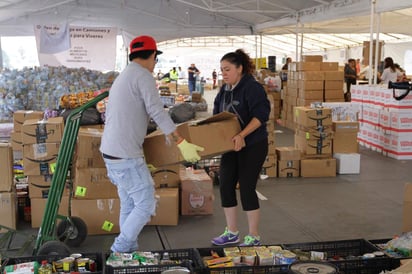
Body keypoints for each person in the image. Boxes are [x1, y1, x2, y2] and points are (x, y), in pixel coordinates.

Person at [99, 35, 204, 253]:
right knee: (146, 204)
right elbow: (156, 111)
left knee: (129, 203)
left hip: (111, 153)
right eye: (156, 58)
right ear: (153, 55)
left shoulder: (124, 76)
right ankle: (119, 251)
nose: (155, 63)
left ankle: (128, 252)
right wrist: (180, 141)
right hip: (125, 155)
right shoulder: (143, 76)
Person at [211, 49, 270, 246]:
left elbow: (261, 116)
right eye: (221, 70)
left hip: (253, 145)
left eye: (227, 69)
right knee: (226, 185)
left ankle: (253, 236)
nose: (224, 73)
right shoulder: (223, 90)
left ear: (240, 68)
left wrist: (242, 135)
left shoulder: (252, 88)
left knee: (246, 188)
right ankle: (232, 232)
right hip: (230, 147)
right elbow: (217, 115)